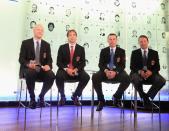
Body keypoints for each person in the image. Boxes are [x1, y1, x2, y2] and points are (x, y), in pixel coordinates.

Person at [19, 24, 55, 109]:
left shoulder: (46, 45)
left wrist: (48, 66)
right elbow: (21, 59)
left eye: (42, 30)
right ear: (34, 31)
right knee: (31, 72)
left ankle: (41, 96)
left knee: (51, 75)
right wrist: (28, 64)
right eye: (38, 29)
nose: (40, 31)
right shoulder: (25, 43)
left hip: (41, 70)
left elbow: (50, 60)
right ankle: (32, 98)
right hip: (28, 69)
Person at [92, 33, 130, 111]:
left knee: (127, 78)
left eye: (114, 39)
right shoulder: (103, 51)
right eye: (110, 39)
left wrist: (115, 72)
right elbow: (100, 64)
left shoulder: (122, 51)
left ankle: (116, 97)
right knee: (95, 77)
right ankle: (101, 100)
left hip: (117, 72)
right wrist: (106, 71)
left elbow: (122, 66)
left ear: (116, 40)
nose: (112, 41)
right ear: (107, 40)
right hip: (105, 72)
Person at [130, 35, 166, 109]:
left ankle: (146, 97)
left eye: (144, 41)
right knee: (135, 78)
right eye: (141, 42)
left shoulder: (154, 53)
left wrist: (151, 72)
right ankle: (146, 99)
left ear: (148, 42)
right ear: (139, 43)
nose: (143, 43)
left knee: (162, 80)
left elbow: (157, 67)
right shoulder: (134, 53)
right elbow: (132, 67)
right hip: (138, 74)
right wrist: (139, 71)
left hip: (151, 74)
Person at [56, 29, 90, 106]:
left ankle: (75, 96)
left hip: (76, 71)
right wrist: (67, 69)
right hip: (65, 71)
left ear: (76, 37)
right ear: (67, 37)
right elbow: (58, 62)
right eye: (70, 35)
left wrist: (76, 69)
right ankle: (62, 96)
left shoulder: (81, 48)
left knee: (86, 77)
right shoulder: (62, 47)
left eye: (74, 35)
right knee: (58, 76)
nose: (72, 36)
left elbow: (83, 63)